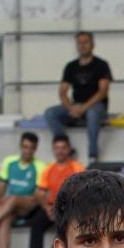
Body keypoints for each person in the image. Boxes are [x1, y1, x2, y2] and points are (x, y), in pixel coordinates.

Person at [46, 31, 112, 161]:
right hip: (76, 106)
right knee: (50, 113)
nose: (83, 46)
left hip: (95, 106)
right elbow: (63, 91)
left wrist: (84, 107)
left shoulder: (101, 65)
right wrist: (70, 108)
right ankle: (66, 147)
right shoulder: (71, 66)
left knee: (93, 114)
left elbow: (103, 91)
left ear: (92, 44)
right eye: (80, 43)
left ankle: (93, 155)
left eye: (86, 42)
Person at [25, 135, 85, 248]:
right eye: (57, 148)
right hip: (51, 206)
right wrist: (47, 207)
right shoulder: (48, 169)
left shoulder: (77, 167)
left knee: (66, 223)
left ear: (69, 149)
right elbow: (39, 192)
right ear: (53, 150)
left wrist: (61, 208)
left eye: (63, 148)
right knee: (37, 221)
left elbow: (81, 192)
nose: (60, 151)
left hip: (69, 207)